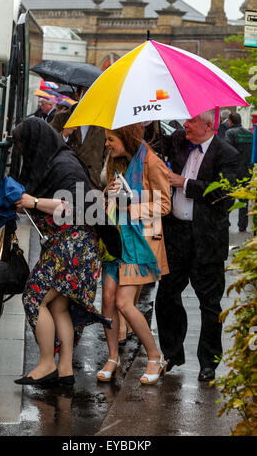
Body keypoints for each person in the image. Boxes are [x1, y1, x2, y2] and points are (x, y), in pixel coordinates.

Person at [12, 117, 120, 387]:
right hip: (75, 247)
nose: (23, 151)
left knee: (34, 298)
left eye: (24, 145)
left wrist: (34, 201)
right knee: (59, 306)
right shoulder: (59, 161)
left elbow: (72, 206)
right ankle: (65, 370)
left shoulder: (64, 165)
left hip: (72, 246)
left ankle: (47, 363)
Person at [154, 110, 239, 382]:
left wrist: (184, 183)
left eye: (191, 121)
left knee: (210, 304)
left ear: (208, 125)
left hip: (207, 239)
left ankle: (209, 362)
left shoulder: (227, 153)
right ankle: (172, 353)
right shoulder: (180, 139)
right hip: (176, 234)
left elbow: (224, 195)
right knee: (167, 296)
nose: (185, 125)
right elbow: (155, 143)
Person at [97, 123, 171, 385]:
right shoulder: (117, 161)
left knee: (123, 303)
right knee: (107, 299)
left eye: (111, 139)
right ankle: (113, 358)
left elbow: (164, 205)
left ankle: (155, 356)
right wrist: (110, 196)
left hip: (140, 242)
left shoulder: (152, 162)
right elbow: (111, 196)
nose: (107, 144)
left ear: (126, 138)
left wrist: (130, 204)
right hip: (115, 240)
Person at [50, 86, 106, 190]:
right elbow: (49, 145)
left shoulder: (103, 122)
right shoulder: (61, 118)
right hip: (65, 181)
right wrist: (64, 134)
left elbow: (107, 154)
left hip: (93, 184)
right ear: (77, 95)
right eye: (86, 94)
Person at [224, 112, 253, 232]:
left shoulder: (230, 133)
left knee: (228, 198)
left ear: (231, 121)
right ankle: (242, 225)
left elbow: (227, 151)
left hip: (234, 171)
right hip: (246, 171)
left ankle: (226, 222)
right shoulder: (249, 133)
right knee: (244, 200)